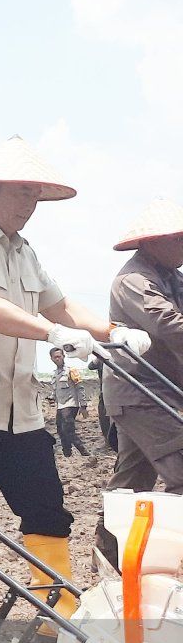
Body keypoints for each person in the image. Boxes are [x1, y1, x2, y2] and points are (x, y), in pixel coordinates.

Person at [0, 135, 150, 640]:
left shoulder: (25, 252)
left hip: (20, 406)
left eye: (35, 195)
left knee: (46, 506)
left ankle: (54, 604)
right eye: (21, 192)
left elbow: (60, 306)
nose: (29, 205)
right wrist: (55, 334)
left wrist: (112, 332)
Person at [96, 199, 183, 568]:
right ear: (152, 242)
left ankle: (109, 558)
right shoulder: (134, 281)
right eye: (178, 238)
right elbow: (169, 326)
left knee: (131, 482)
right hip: (142, 393)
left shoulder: (171, 277)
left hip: (157, 389)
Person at [48, 347, 90, 458]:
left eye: (59, 356)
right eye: (55, 357)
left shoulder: (71, 370)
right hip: (60, 406)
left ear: (63, 356)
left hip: (71, 405)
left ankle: (84, 451)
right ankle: (67, 453)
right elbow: (55, 390)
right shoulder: (54, 374)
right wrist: (51, 398)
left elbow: (80, 388)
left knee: (68, 429)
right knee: (60, 430)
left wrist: (83, 405)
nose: (57, 359)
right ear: (51, 359)